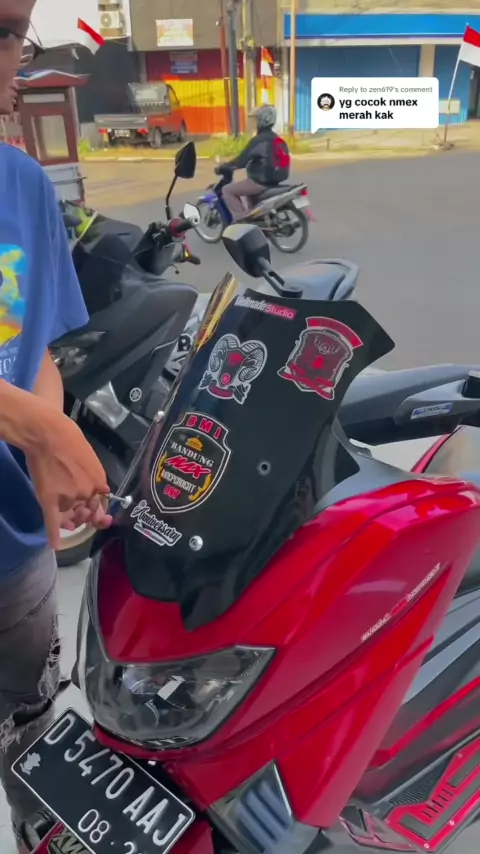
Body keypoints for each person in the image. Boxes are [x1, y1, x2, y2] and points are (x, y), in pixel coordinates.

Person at [0, 2, 113, 850]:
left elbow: (32, 340)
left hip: (13, 545)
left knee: (33, 729)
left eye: (11, 30)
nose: (9, 55)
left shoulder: (23, 184)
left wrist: (43, 428)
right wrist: (44, 433)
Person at [219, 104, 291, 222]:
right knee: (247, 191)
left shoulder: (259, 141)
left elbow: (241, 161)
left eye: (256, 119)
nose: (253, 122)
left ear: (263, 120)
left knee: (227, 190)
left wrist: (225, 166)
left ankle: (241, 219)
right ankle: (257, 219)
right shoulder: (278, 139)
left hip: (260, 182)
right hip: (275, 180)